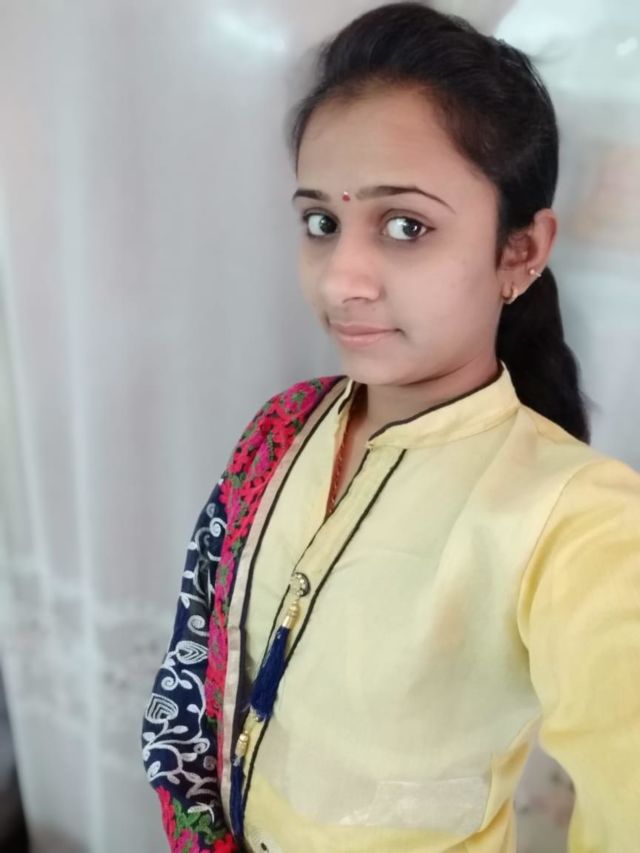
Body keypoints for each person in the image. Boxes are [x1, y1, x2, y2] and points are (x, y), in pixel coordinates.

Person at [141, 4, 640, 851]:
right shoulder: (284, 430)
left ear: (520, 250)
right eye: (321, 223)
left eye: (406, 226)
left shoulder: (577, 518)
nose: (343, 279)